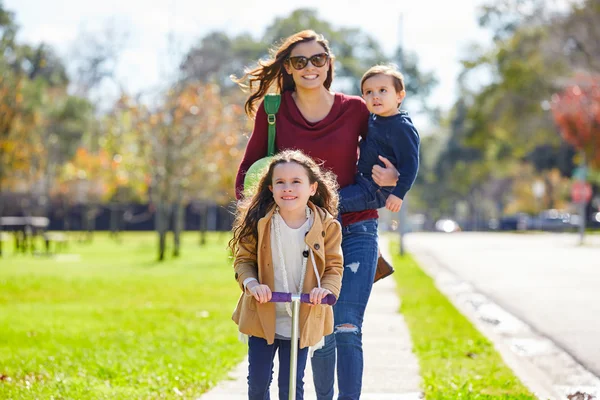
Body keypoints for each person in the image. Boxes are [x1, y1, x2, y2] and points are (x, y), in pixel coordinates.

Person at [232, 30, 400, 399]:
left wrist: (396, 177)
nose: (310, 67)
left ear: (329, 64)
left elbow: (393, 144)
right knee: (319, 334)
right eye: (299, 61)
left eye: (318, 59)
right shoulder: (274, 111)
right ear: (289, 68)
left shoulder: (355, 109)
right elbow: (247, 178)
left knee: (346, 327)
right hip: (296, 234)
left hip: (355, 230)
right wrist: (277, 218)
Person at [229, 149, 344, 400]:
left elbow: (334, 267)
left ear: (312, 188)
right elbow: (244, 260)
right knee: (258, 384)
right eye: (280, 182)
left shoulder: (327, 226)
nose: (287, 188)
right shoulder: (259, 221)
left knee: (291, 385)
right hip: (263, 312)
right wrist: (252, 284)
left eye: (296, 182)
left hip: (302, 315)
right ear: (270, 188)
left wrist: (325, 290)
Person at [339, 64, 420, 214]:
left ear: (399, 96)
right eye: (369, 92)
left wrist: (398, 194)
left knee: (333, 203)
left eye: (383, 90)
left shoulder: (401, 127)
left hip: (376, 189)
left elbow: (411, 165)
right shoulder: (373, 119)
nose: (375, 96)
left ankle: (327, 237)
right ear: (363, 97)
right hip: (362, 180)